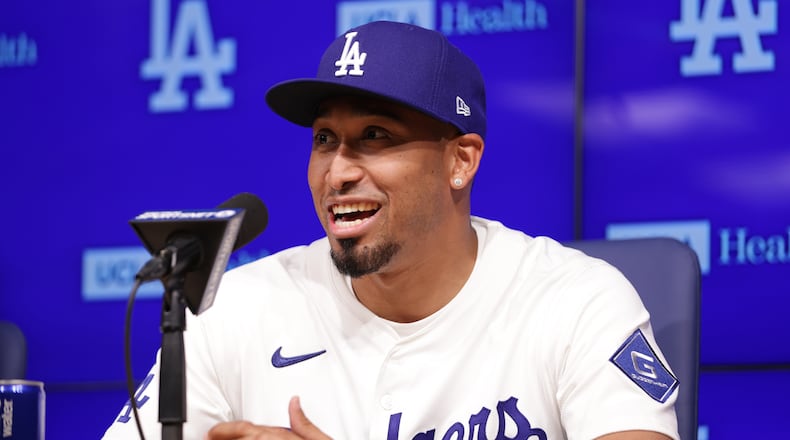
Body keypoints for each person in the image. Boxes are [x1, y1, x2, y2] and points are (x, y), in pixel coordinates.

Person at [103, 20, 679, 440]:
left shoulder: (576, 302)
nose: (339, 172)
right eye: (324, 139)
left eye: (376, 136)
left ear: (462, 160)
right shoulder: (236, 309)